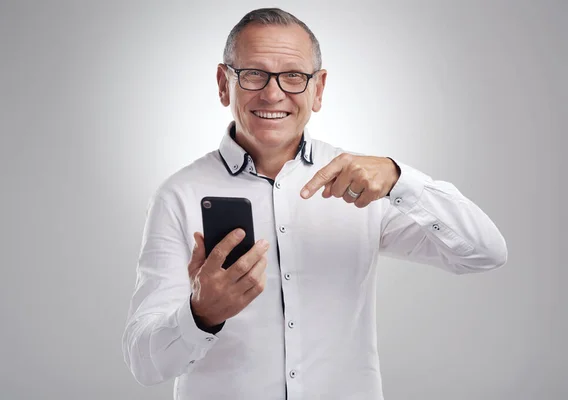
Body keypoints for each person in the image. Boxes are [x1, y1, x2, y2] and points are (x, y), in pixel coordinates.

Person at [121, 7, 508, 400]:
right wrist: (200, 316)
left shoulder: (364, 185)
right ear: (224, 83)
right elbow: (144, 363)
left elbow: (484, 253)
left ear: (318, 89)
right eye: (254, 73)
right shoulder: (179, 195)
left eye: (293, 76)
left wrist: (400, 178)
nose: (273, 94)